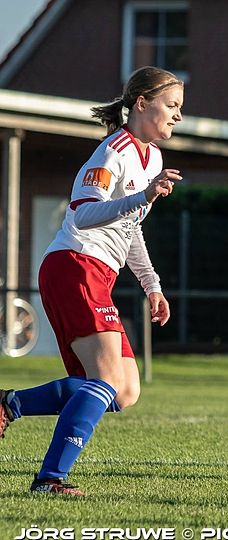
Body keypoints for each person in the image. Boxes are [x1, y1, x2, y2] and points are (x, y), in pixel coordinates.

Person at [0, 66, 183, 495]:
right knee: (105, 379)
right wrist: (143, 195)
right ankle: (50, 479)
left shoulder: (153, 158)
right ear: (142, 104)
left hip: (95, 273)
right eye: (172, 105)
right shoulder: (112, 151)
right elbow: (83, 213)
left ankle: (11, 403)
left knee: (125, 390)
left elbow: (130, 228)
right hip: (74, 265)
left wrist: (152, 284)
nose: (178, 115)